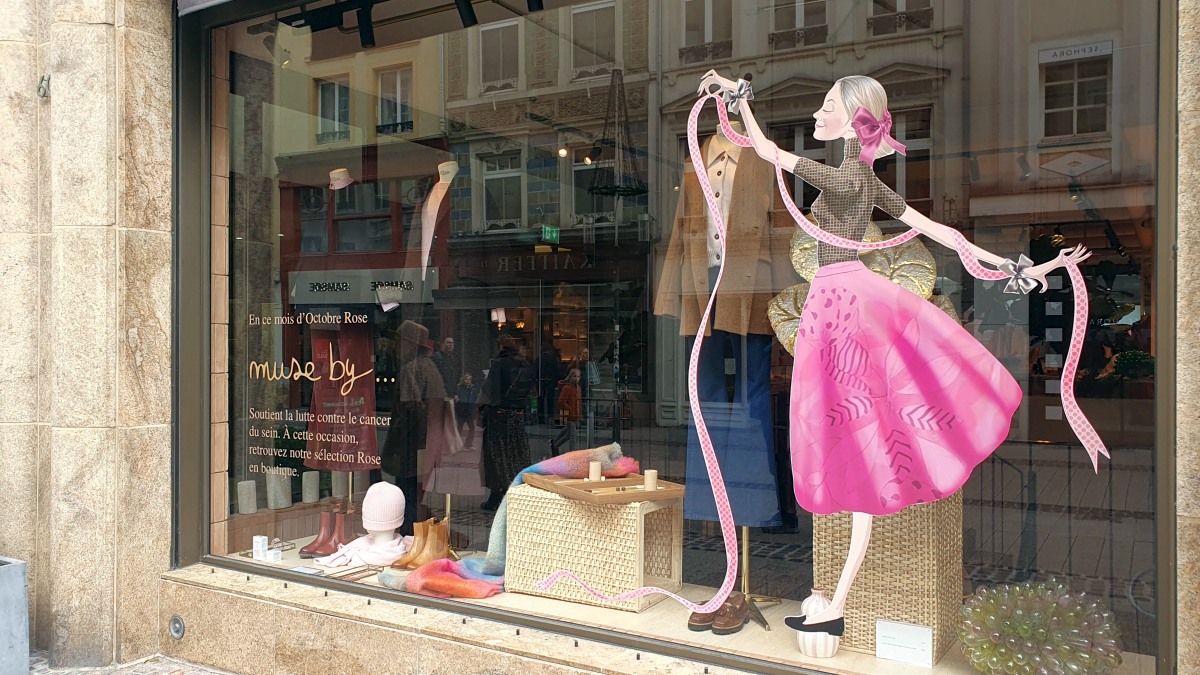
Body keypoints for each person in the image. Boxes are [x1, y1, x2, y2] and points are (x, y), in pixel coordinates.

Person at [698, 71, 1093, 635]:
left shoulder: (843, 178)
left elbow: (765, 150)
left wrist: (736, 100)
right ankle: (834, 605)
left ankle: (834, 608)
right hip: (846, 300)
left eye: (827, 106)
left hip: (840, 305)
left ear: (852, 121)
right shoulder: (864, 180)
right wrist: (1013, 266)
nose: (818, 114)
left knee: (854, 436)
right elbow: (939, 230)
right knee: (861, 441)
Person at [479, 334, 534, 510]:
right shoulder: (526, 365)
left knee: (497, 456)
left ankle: (496, 496)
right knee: (517, 455)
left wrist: (481, 408)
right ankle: (518, 491)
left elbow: (490, 391)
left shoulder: (498, 364)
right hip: (517, 415)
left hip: (499, 415)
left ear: (500, 346)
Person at [549, 368, 582, 456]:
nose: (576, 379)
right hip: (569, 414)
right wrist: (570, 409)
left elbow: (578, 402)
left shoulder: (577, 388)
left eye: (578, 376)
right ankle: (572, 452)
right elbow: (561, 401)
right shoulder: (567, 388)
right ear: (570, 376)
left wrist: (579, 413)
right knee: (572, 434)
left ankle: (555, 444)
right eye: (574, 376)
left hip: (574, 413)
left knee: (568, 431)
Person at [534, 343, 561, 424]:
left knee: (540, 399)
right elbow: (556, 371)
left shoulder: (539, 358)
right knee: (550, 399)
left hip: (540, 381)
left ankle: (541, 418)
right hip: (551, 380)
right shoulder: (553, 358)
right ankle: (550, 417)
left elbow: (535, 370)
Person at [454, 372, 479, 446]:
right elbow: (456, 398)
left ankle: (468, 443)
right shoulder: (459, 388)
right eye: (466, 379)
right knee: (459, 428)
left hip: (469, 411)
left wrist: (474, 408)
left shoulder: (473, 389)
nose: (467, 381)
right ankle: (457, 444)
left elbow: (475, 398)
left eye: (469, 379)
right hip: (461, 411)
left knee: (472, 428)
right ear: (463, 380)